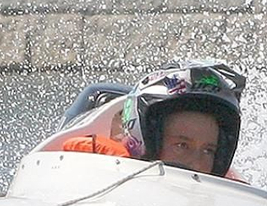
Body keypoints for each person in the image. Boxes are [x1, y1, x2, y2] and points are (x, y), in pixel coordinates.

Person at [60, 61, 246, 178]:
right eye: (182, 145)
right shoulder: (92, 173)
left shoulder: (231, 196)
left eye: (208, 151)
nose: (197, 163)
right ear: (147, 137)